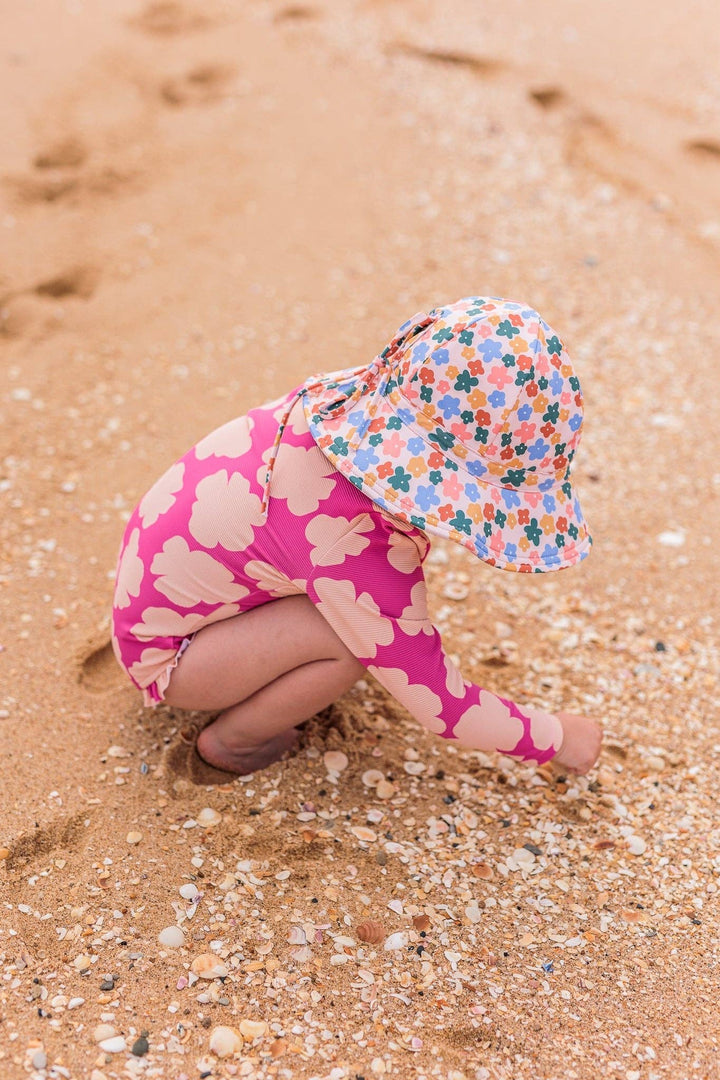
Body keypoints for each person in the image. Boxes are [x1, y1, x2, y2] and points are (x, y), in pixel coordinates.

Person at [112, 297, 602, 778]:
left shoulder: (333, 405)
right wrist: (558, 737)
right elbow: (444, 709)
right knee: (348, 639)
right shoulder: (353, 541)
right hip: (167, 659)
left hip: (154, 587)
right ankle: (235, 741)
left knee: (347, 613)